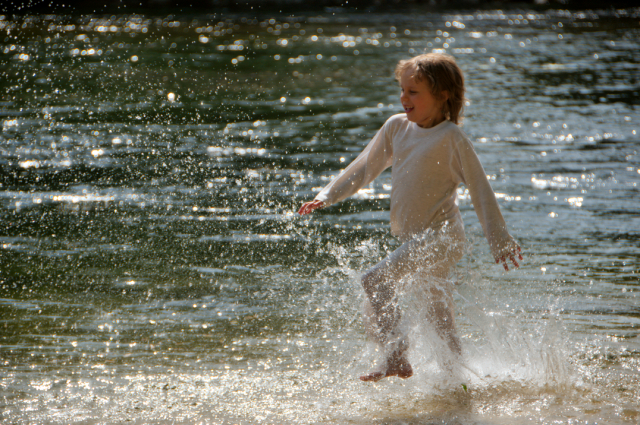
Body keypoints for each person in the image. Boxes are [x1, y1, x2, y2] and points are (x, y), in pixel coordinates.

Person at [298, 53, 522, 382]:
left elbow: (480, 189)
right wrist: (327, 194)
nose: (404, 98)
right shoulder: (396, 128)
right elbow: (364, 167)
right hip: (417, 240)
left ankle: (396, 355)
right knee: (439, 318)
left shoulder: (451, 138)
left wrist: (499, 240)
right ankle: (459, 384)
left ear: (443, 94)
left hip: (442, 238)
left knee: (373, 280)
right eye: (402, 90)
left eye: (413, 92)